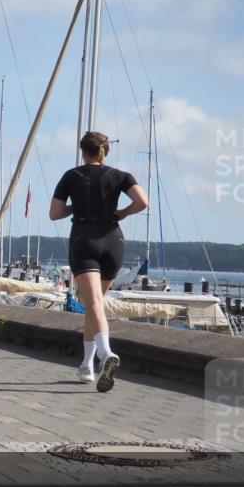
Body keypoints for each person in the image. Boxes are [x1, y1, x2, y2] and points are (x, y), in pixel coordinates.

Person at [50, 131, 148, 392]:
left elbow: (55, 213)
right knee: (94, 306)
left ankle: (105, 353)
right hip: (113, 242)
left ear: (83, 151)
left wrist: (78, 206)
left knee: (92, 303)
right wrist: (123, 213)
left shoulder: (71, 176)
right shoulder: (120, 176)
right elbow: (142, 201)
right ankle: (86, 365)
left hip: (85, 240)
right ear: (105, 151)